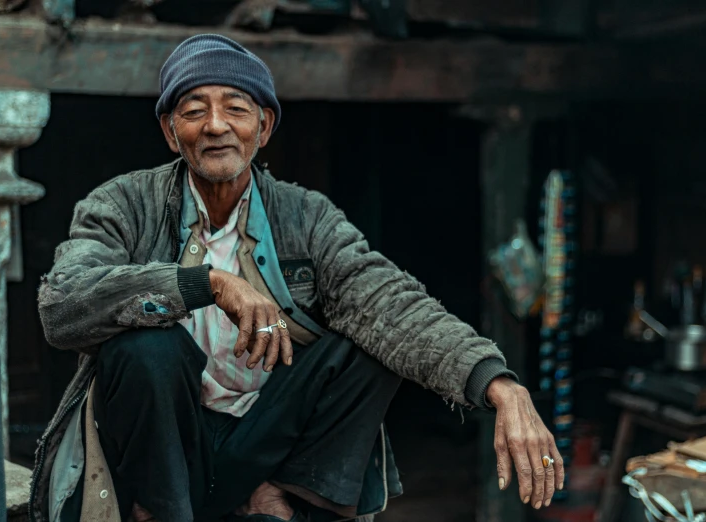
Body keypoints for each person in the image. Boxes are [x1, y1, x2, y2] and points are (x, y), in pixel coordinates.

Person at [29, 34, 563, 522]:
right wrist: (207, 283)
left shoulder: (306, 216)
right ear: (172, 133)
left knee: (370, 343)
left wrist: (500, 386)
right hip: (167, 445)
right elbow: (62, 305)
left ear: (263, 126)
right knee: (144, 351)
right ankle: (162, 509)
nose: (215, 125)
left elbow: (391, 303)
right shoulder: (122, 203)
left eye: (235, 110)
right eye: (194, 112)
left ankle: (277, 497)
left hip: (263, 439)